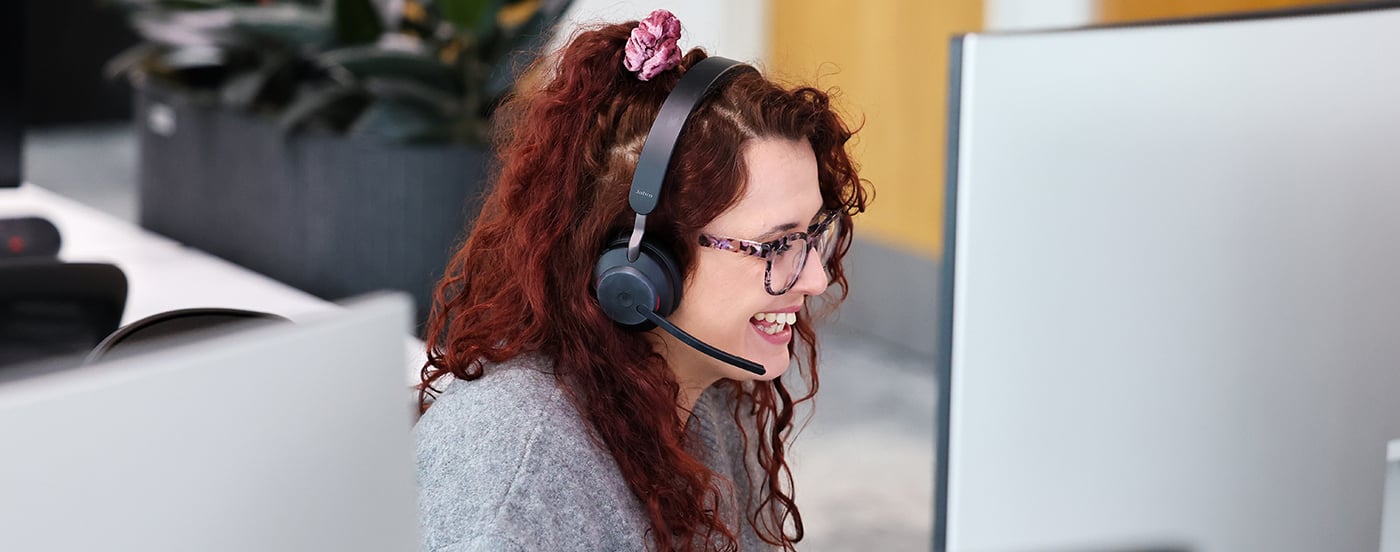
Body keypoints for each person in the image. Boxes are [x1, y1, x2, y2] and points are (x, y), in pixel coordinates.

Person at [414, 9, 869, 551]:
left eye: (814, 231)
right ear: (640, 265)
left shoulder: (703, 400)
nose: (816, 277)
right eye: (774, 245)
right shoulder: (513, 479)